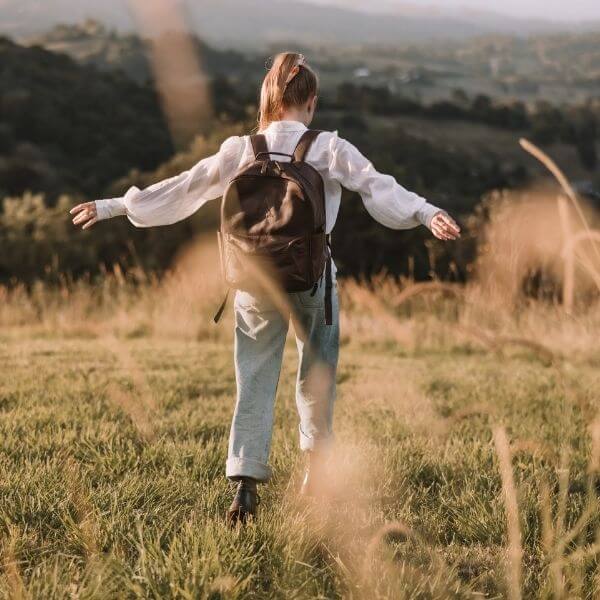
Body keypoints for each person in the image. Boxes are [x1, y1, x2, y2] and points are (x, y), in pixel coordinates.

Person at [71, 51, 460, 525]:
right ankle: (315, 474)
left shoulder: (241, 149)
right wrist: (426, 212)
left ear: (269, 99)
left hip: (252, 278)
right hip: (312, 277)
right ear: (310, 101)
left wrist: (115, 206)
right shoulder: (329, 147)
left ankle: (245, 486)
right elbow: (379, 188)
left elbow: (185, 188)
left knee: (253, 375)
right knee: (317, 369)